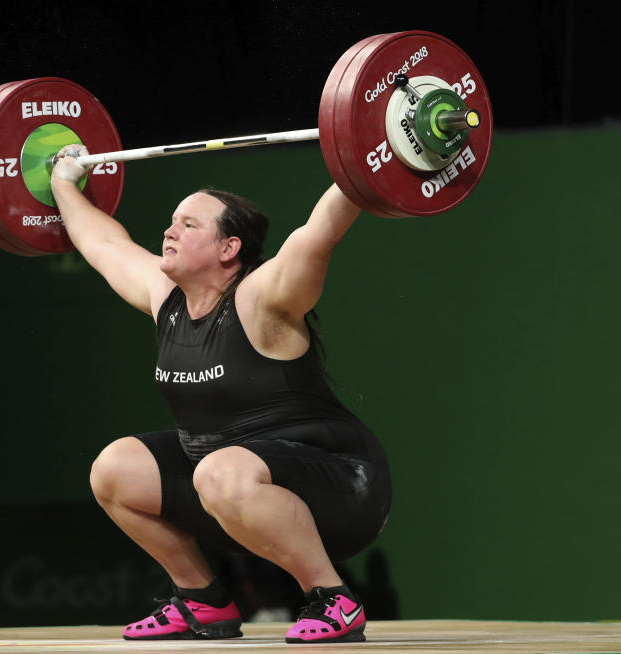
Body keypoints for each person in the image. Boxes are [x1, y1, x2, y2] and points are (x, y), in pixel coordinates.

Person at [50, 146, 392, 644]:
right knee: (115, 468)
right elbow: (103, 242)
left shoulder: (262, 299)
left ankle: (333, 599)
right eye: (172, 221)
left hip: (342, 485)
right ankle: (202, 600)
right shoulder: (165, 299)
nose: (169, 231)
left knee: (218, 470)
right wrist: (62, 181)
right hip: (232, 488)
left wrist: (369, 155)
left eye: (189, 226)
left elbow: (317, 236)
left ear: (229, 248)